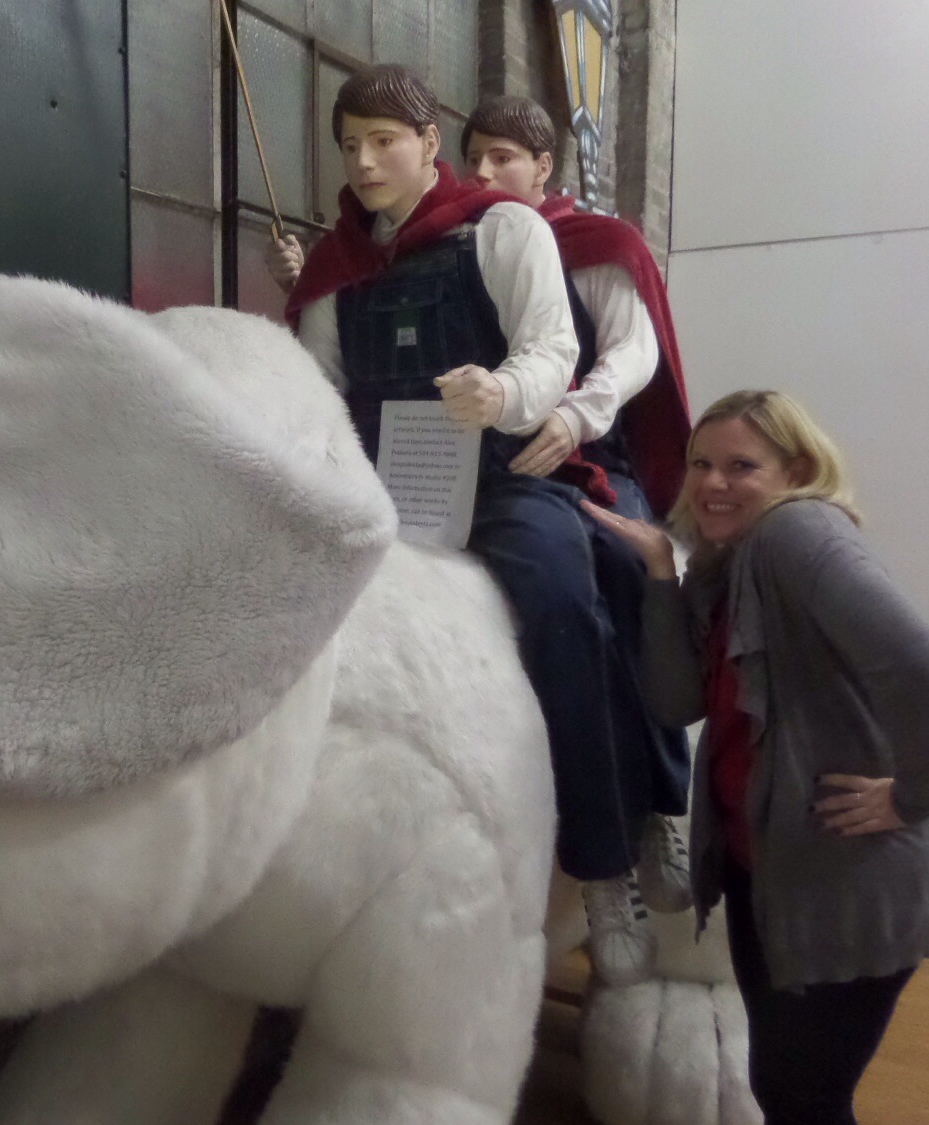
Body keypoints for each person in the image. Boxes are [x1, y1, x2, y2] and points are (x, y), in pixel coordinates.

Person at [281, 64, 679, 985]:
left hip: (502, 480)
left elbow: (553, 346)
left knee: (564, 598)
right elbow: (323, 386)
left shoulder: (505, 231)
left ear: (429, 146)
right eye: (350, 145)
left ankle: (605, 861)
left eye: (384, 141)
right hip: (385, 491)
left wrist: (503, 394)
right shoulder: (336, 270)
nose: (364, 161)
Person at [586, 390, 929, 1125]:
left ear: (797, 470)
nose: (713, 483)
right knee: (787, 1098)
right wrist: (659, 572)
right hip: (772, 874)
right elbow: (675, 700)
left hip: (845, 880)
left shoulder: (796, 533)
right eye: (700, 464)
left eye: (741, 466)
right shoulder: (723, 564)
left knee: (808, 1108)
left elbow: (917, 660)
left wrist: (916, 795)